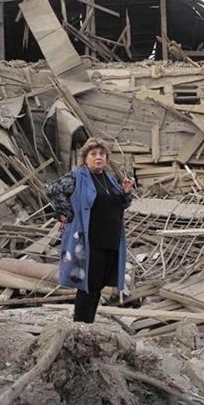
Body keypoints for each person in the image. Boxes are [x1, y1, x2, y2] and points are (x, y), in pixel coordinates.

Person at [47, 137, 135, 323]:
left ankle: (89, 324)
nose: (98, 158)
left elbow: (119, 205)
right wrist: (69, 214)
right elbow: (54, 190)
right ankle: (80, 324)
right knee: (88, 285)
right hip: (89, 241)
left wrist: (126, 193)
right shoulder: (78, 176)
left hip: (110, 241)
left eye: (102, 154)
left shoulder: (110, 179)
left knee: (98, 285)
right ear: (85, 158)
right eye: (93, 154)